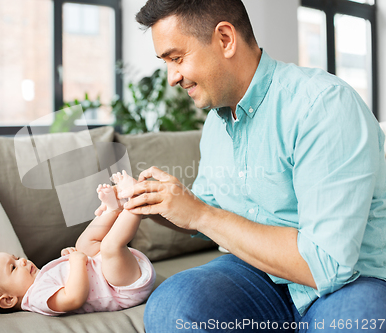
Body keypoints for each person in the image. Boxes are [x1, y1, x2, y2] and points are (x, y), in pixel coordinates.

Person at [109, 0, 386, 331]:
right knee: (173, 306)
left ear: (225, 39)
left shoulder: (323, 105)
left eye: (177, 58)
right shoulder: (217, 122)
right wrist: (158, 203)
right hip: (260, 276)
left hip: (350, 280)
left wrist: (200, 213)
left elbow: (325, 264)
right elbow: (207, 211)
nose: (172, 77)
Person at [0, 170, 155, 316]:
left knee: (83, 243)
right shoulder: (37, 298)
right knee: (109, 247)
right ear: (7, 300)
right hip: (123, 289)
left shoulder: (39, 281)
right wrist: (77, 262)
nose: (22, 261)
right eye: (13, 268)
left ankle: (113, 210)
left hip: (111, 271)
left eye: (16, 258)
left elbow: (68, 275)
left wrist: (71, 257)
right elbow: (73, 298)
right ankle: (135, 202)